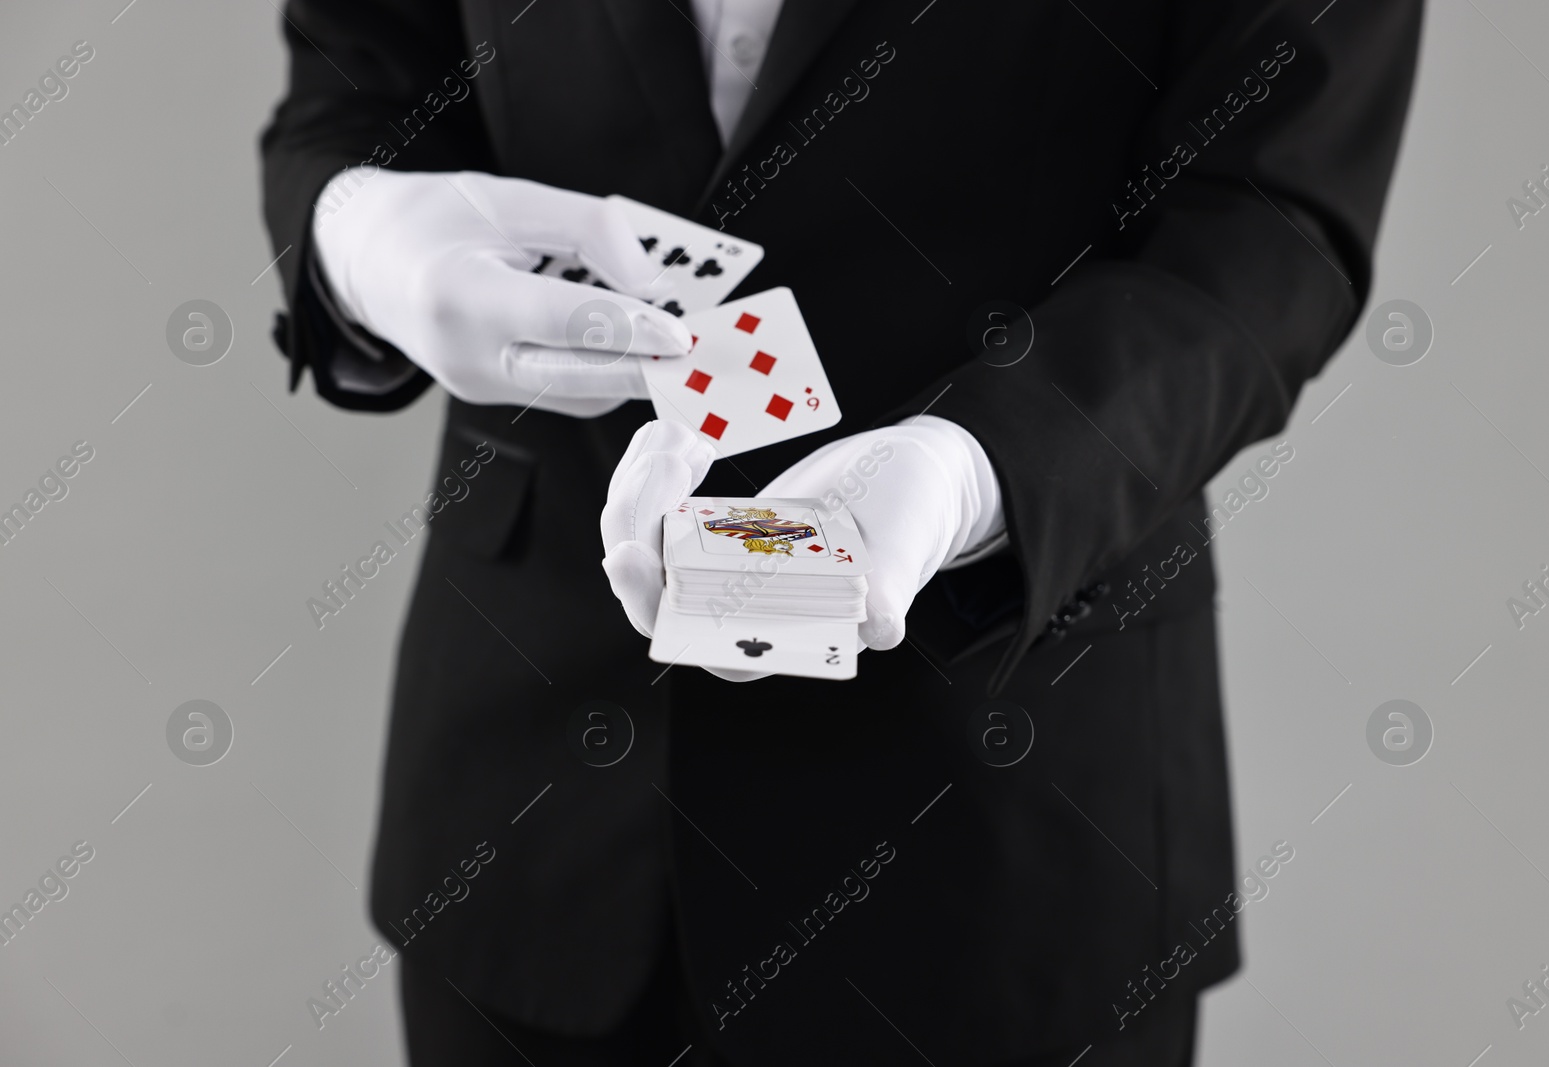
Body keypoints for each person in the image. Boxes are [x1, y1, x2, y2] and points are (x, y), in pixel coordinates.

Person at [260, 2, 1421, 1063]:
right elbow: (358, 77)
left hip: (1007, 817)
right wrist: (364, 236)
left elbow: (1268, 214)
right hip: (531, 805)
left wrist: (973, 470)